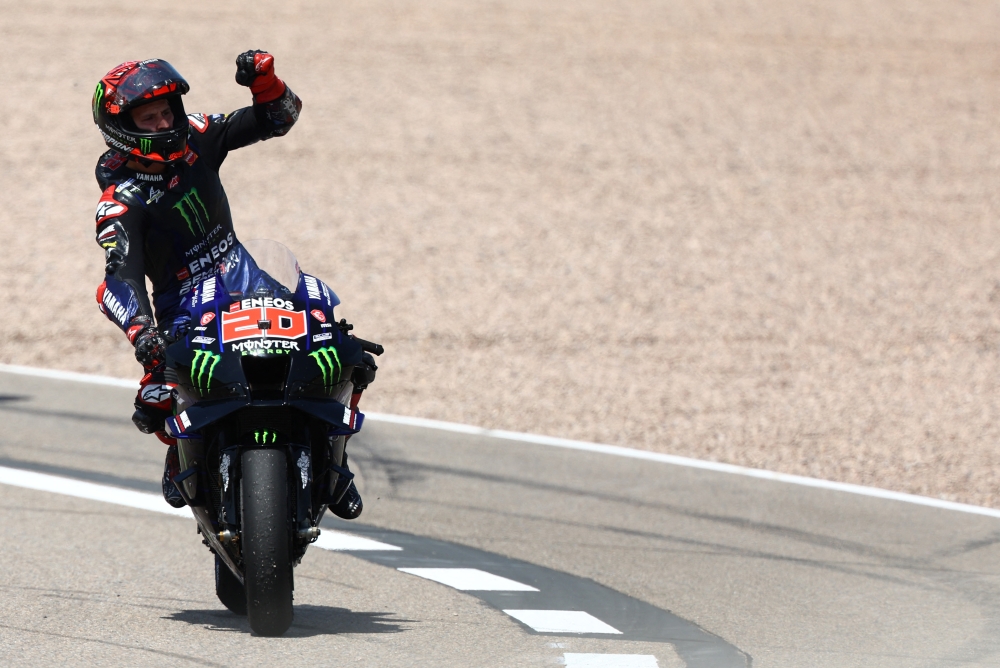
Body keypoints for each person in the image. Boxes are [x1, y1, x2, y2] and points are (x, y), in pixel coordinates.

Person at [92, 52, 365, 518]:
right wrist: (143, 333)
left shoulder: (197, 135)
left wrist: (265, 83)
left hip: (247, 276)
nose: (164, 122)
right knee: (155, 398)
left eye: (167, 112)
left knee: (342, 351)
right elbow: (116, 281)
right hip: (184, 307)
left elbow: (279, 118)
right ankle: (181, 450)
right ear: (124, 128)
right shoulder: (121, 202)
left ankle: (335, 466)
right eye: (149, 117)